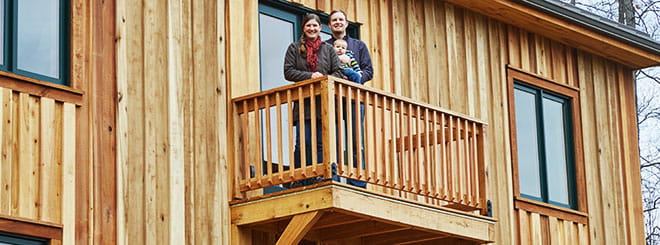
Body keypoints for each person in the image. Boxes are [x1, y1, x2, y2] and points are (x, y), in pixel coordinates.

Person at [284, 13, 343, 186]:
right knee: (303, 143)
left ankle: (319, 176)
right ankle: (300, 179)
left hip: (324, 104)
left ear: (320, 28)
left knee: (321, 142)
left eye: (315, 26)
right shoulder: (294, 48)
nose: (312, 28)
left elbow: (339, 72)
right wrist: (310, 76)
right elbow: (288, 72)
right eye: (309, 25)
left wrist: (323, 79)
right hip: (304, 104)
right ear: (303, 28)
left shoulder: (328, 49)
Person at [325, 10, 374, 188]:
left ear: (346, 24)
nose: (338, 22)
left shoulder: (358, 45)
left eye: (341, 20)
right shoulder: (325, 46)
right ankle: (335, 180)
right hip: (333, 98)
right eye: (334, 20)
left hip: (354, 98)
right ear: (329, 25)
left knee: (355, 140)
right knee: (334, 140)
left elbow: (369, 70)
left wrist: (357, 77)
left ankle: (357, 182)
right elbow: (324, 69)